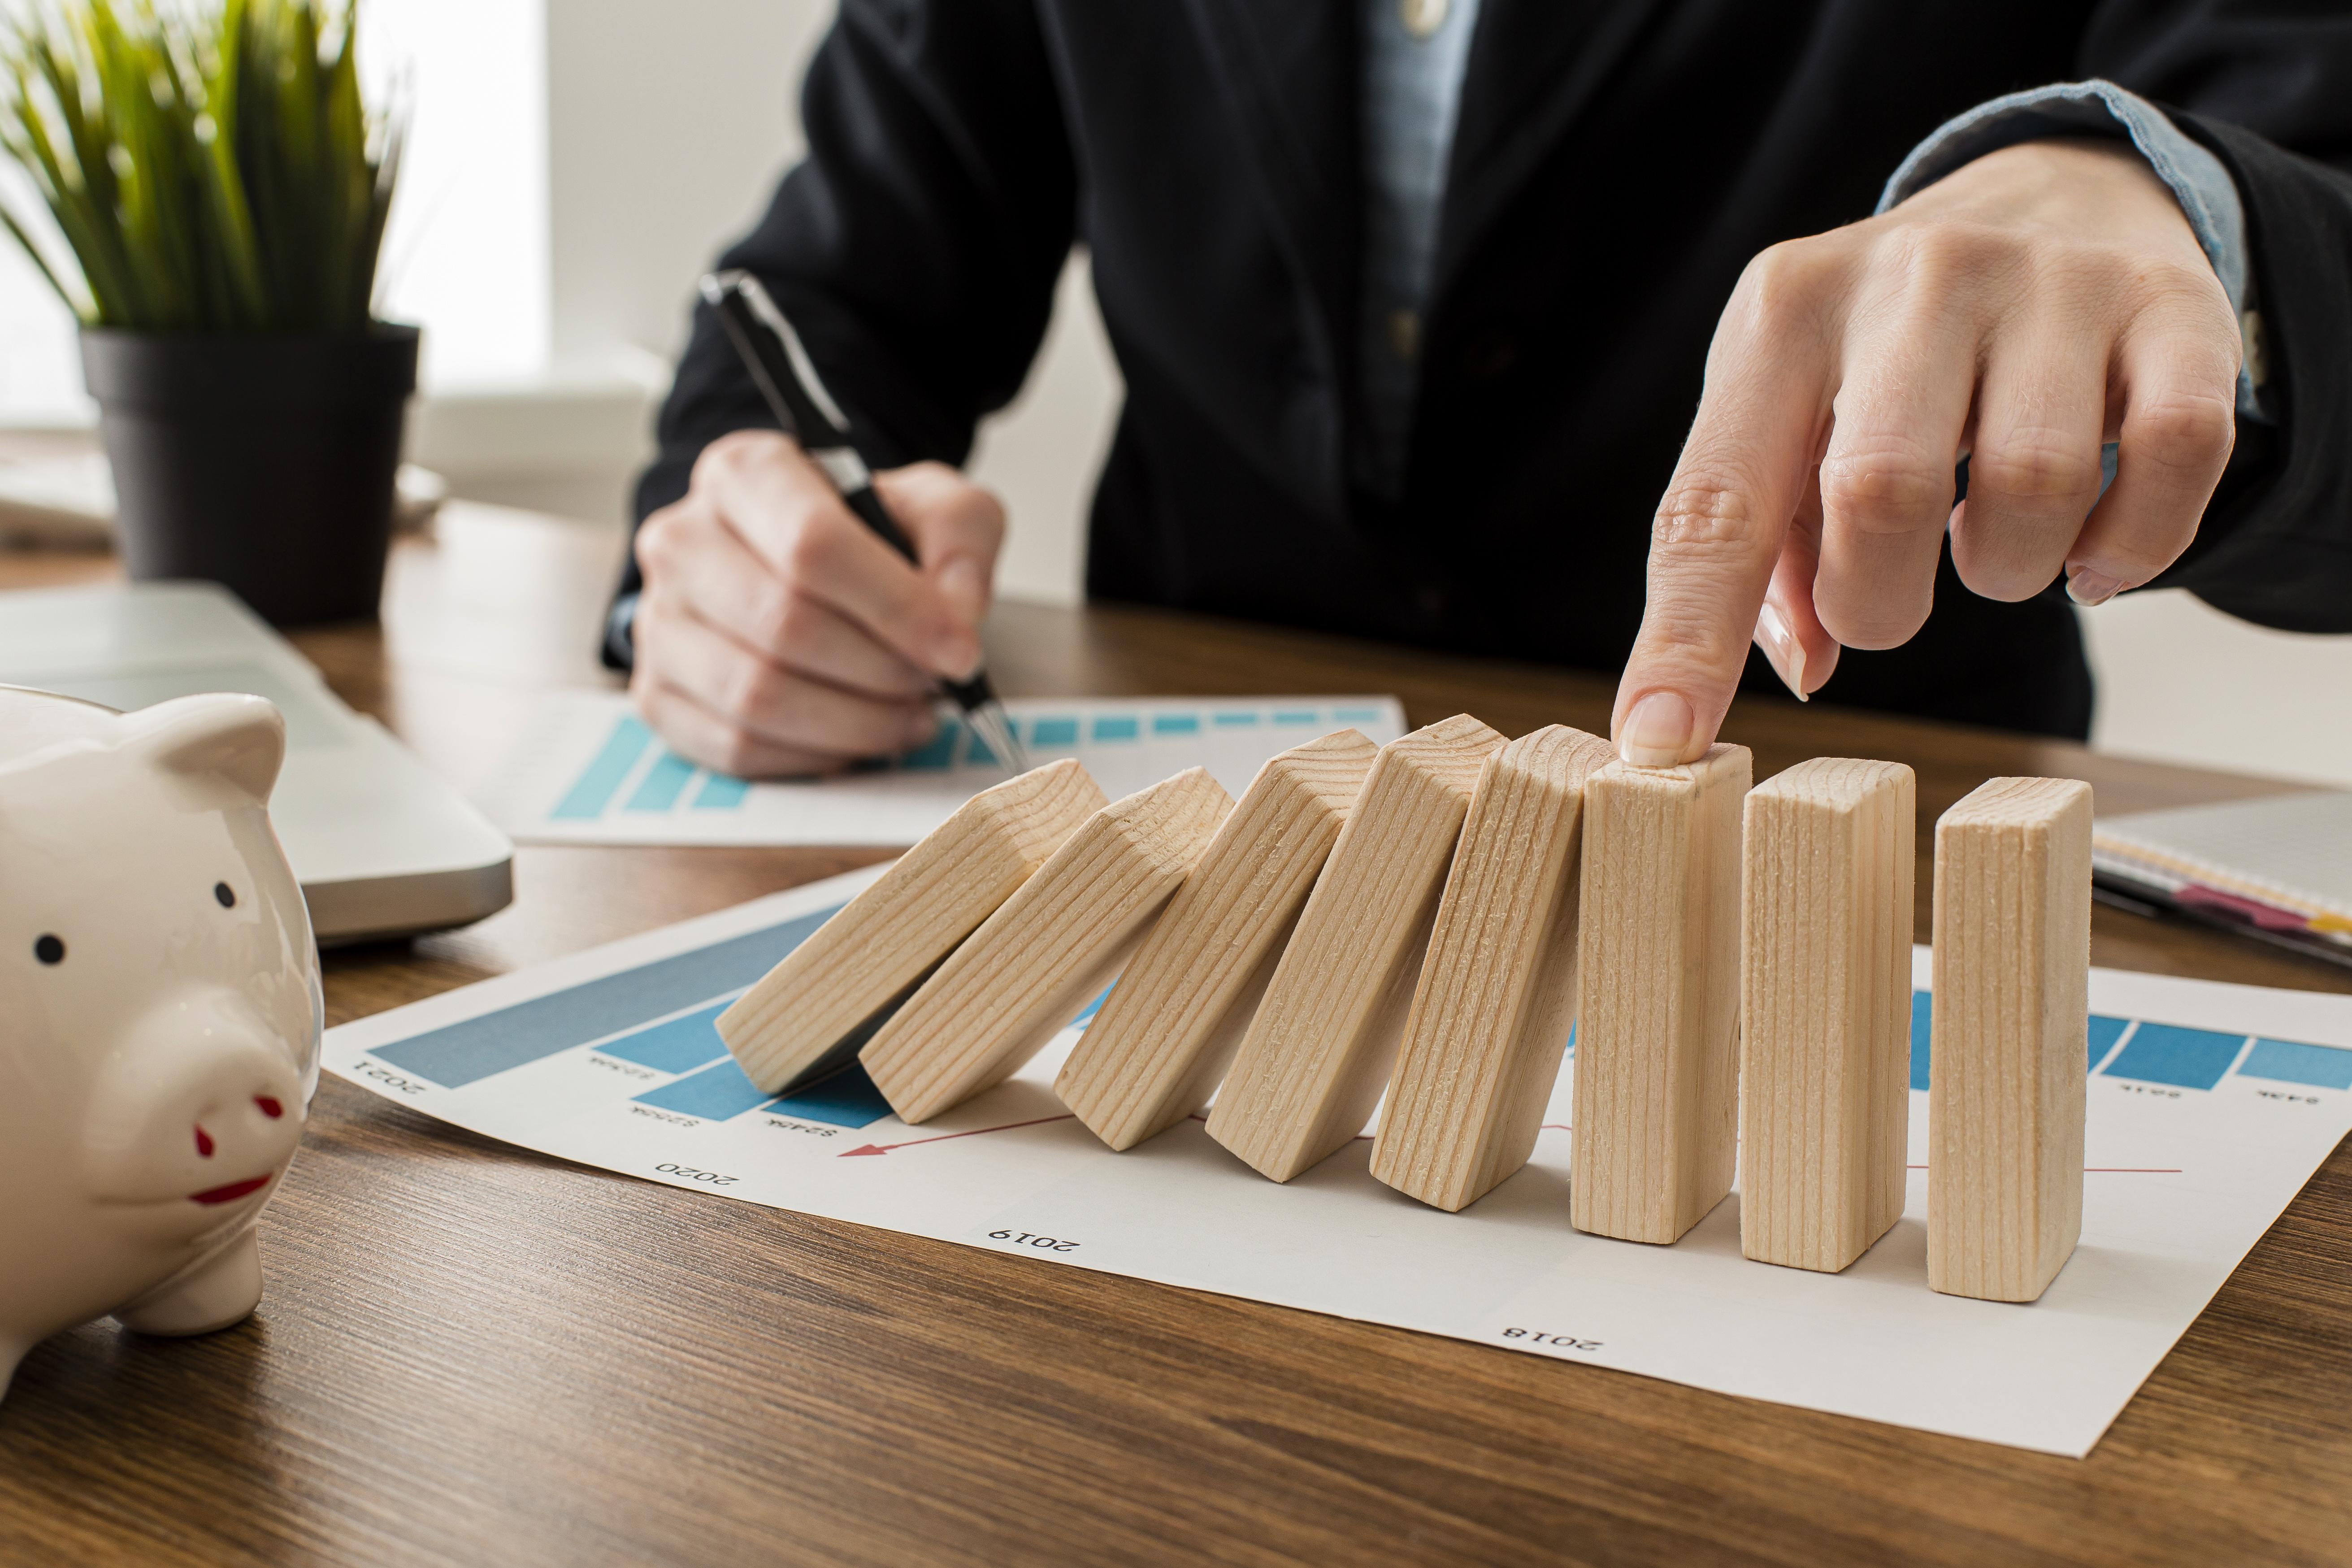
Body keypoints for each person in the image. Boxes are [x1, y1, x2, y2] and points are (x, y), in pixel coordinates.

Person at [607, 1, 2352, 778]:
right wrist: (735, 532)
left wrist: (2175, 216)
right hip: (1209, 860)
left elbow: (2305, 174)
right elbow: (830, 286)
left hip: (1868, 844)